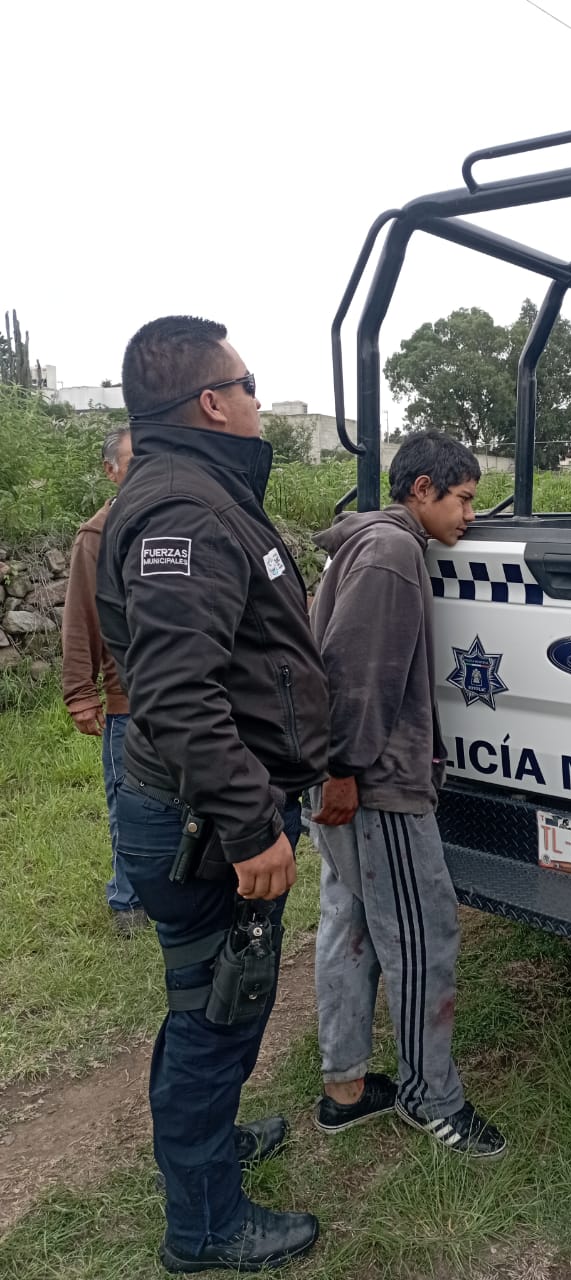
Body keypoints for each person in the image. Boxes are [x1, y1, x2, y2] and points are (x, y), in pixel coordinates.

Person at [96, 316, 328, 1273]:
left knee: (213, 998)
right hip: (207, 821)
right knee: (216, 1007)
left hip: (211, 807)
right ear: (211, 402)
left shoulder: (199, 492)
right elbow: (176, 694)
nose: (257, 399)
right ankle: (203, 1228)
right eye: (249, 383)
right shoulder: (186, 513)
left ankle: (211, 1148)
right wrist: (247, 823)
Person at [310, 429, 506, 1159]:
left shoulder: (367, 543)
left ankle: (345, 1090)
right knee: (423, 936)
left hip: (350, 780)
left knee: (351, 925)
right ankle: (432, 1099)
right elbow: (354, 674)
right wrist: (343, 770)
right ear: (422, 489)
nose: (470, 517)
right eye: (463, 499)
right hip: (378, 785)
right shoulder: (393, 553)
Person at [62, 426, 149, 936]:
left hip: (184, 696)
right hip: (127, 703)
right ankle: (127, 900)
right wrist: (81, 693)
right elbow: (81, 617)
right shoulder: (97, 534)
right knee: (129, 801)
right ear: (110, 471)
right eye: (134, 462)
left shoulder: (170, 520)